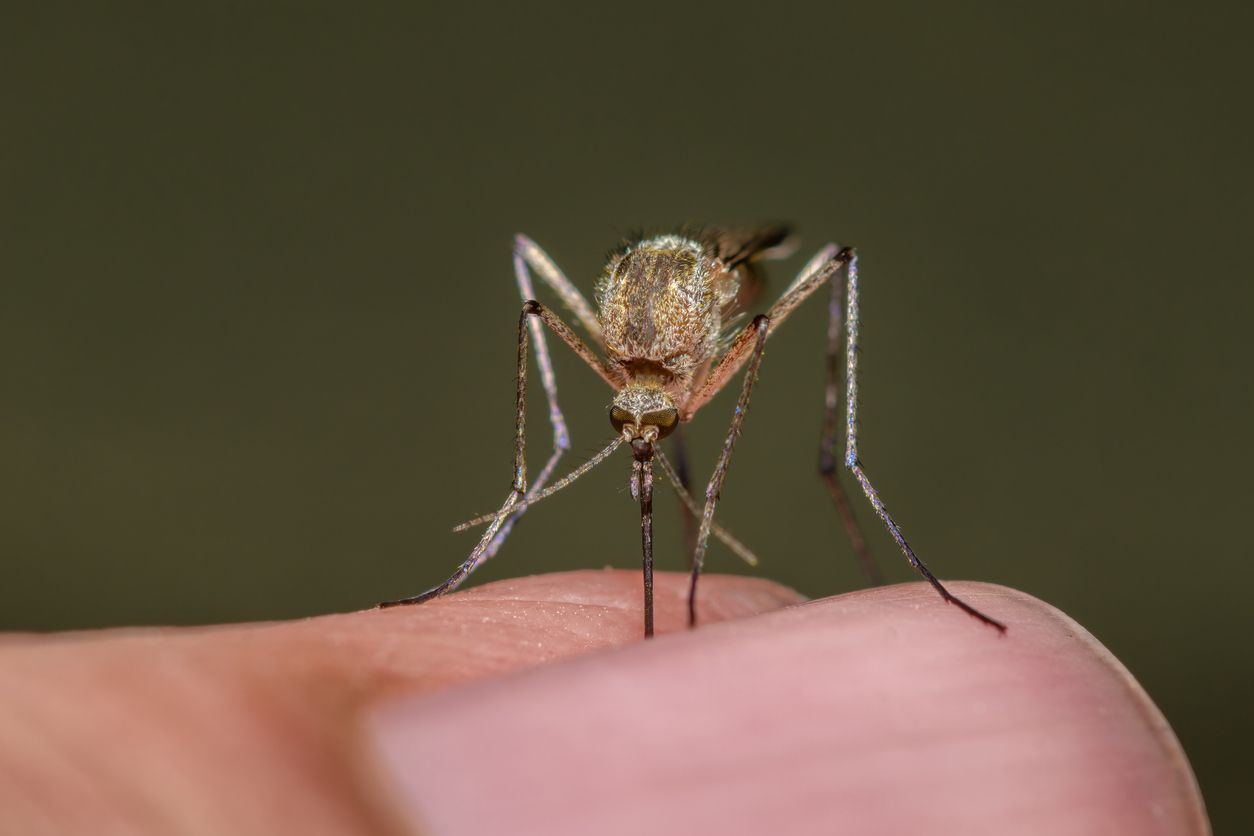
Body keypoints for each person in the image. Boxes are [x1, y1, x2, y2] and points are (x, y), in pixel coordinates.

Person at [0, 571, 1209, 835]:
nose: (647, 447)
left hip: (683, 315)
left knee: (828, 270)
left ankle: (856, 490)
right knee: (537, 277)